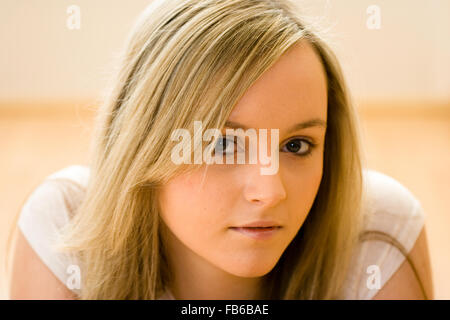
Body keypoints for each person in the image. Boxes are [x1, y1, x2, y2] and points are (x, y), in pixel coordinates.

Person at [6, 0, 433, 300]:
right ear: (141, 143)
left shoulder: (378, 233)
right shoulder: (65, 231)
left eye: (296, 145)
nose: (270, 191)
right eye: (222, 144)